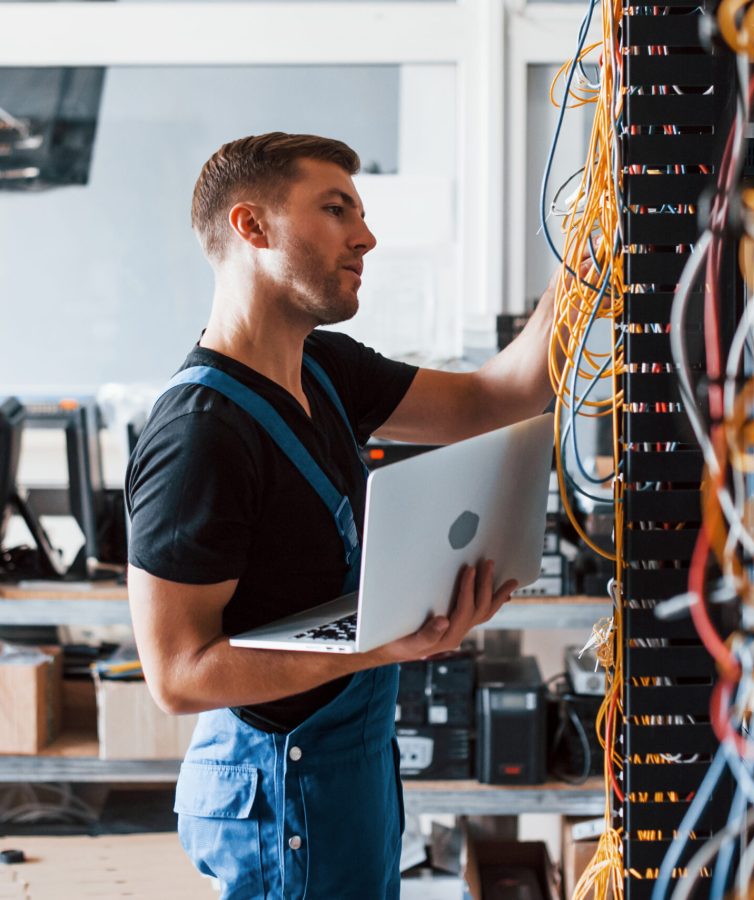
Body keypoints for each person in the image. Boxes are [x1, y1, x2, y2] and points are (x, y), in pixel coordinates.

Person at [126, 132, 558, 900]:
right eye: (336, 210)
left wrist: (583, 268)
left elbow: (497, 399)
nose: (367, 237)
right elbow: (178, 676)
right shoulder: (199, 432)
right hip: (277, 777)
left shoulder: (325, 367)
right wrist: (384, 648)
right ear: (252, 227)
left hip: (346, 759)